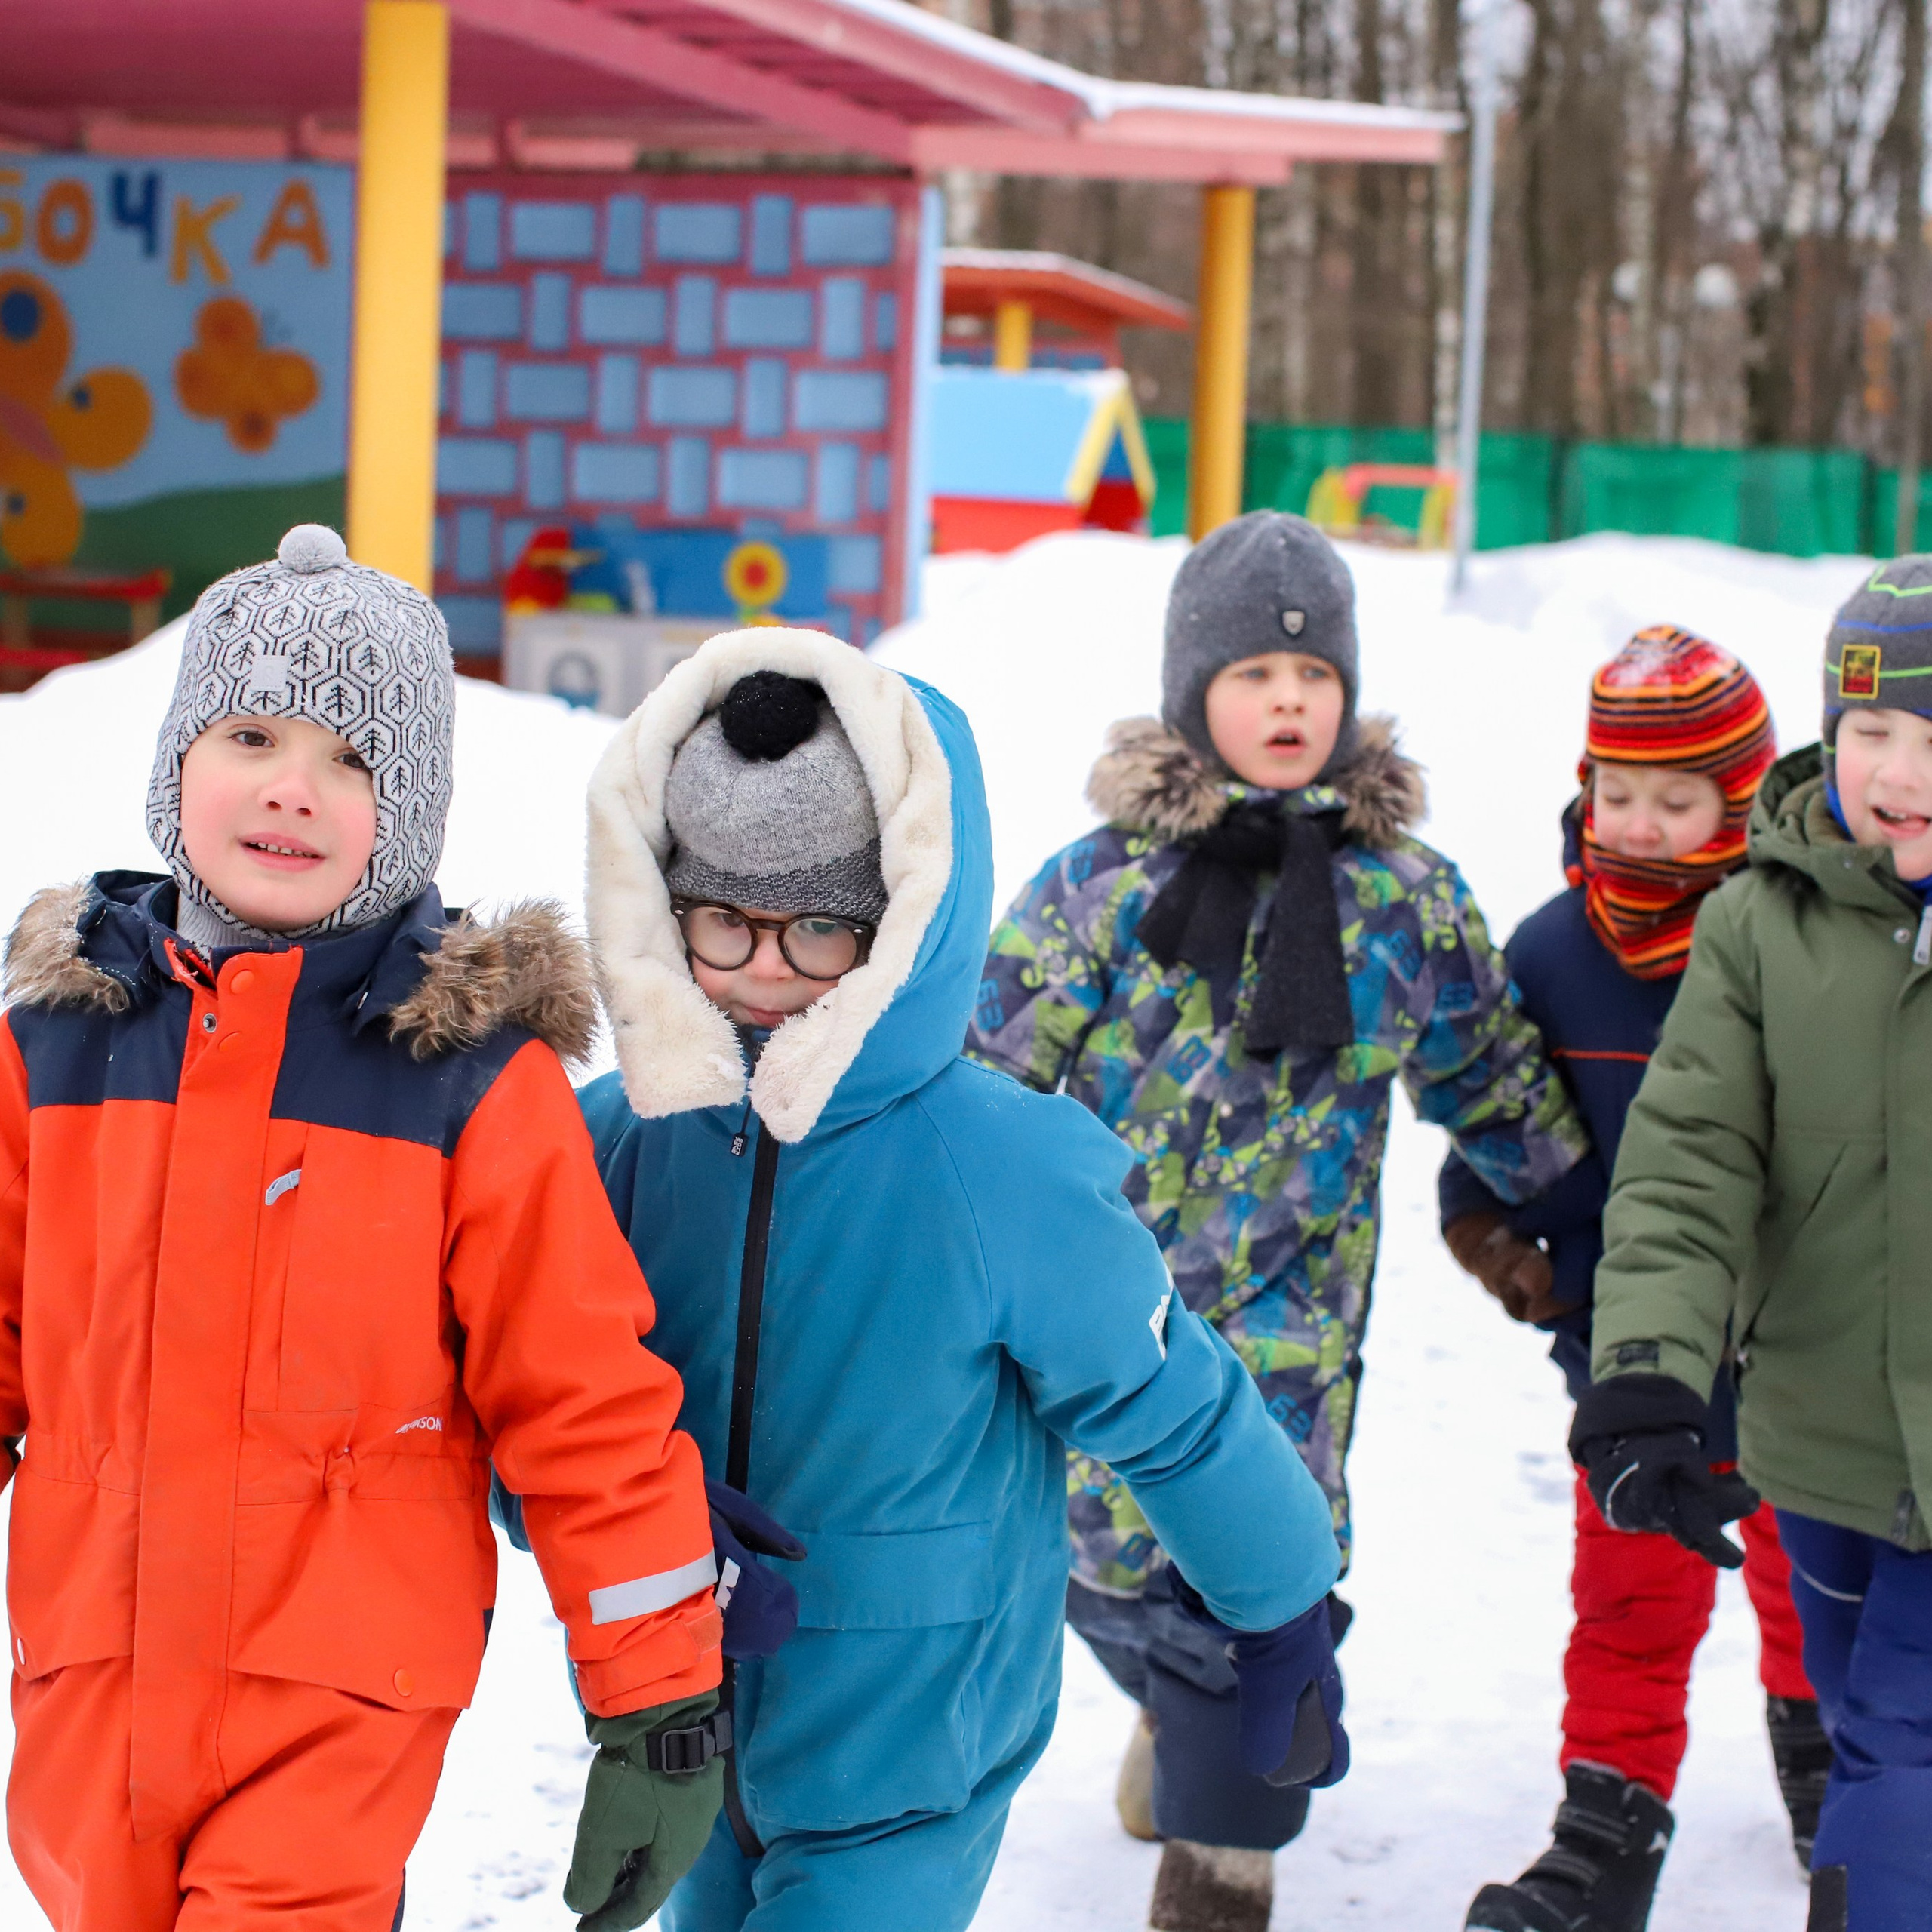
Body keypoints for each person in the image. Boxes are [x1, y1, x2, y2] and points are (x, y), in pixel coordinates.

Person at [0, 526, 724, 1932]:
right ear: (176, 769)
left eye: (356, 758)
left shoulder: (465, 1085)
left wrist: (659, 1703)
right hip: (89, 1662)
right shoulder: (54, 1047)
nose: (294, 788)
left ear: (413, 810)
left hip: (343, 1692)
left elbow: (583, 1404)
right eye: (253, 732)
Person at [573, 629, 1349, 1932]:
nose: (767, 968)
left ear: (902, 925)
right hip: (679, 1723)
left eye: (821, 928)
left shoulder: (1000, 1167)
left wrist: (1278, 1610)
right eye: (722, 922)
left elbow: (1177, 1408)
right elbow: (518, 1409)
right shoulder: (618, 1150)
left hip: (914, 1748)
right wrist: (637, 1524)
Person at [966, 510, 1589, 1932]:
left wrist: (1574, 1205)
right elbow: (989, 1083)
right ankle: (1176, 1734)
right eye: (1256, 675)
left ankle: (1219, 1875)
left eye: (1315, 679)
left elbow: (1495, 1079)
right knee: (1105, 1580)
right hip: (1102, 1330)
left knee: (1252, 1609)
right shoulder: (1101, 887)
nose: (1290, 702)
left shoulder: (1402, 903)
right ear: (1196, 693)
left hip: (1293, 1342)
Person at [1438, 626, 1823, 1932]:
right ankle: (1608, 1821)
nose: (1642, 828)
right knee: (1628, 1600)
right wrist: (1514, 1256)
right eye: (1618, 795)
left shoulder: (1799, 944)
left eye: (1678, 800)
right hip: (1633, 1364)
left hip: (1799, 1355)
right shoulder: (1552, 954)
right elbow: (1495, 1138)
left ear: (1738, 796)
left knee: (1810, 1577)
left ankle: (1831, 1775)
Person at [1572, 557, 1932, 1932]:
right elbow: (1686, 1161)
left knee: (1898, 1773)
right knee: (1861, 1723)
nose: (1896, 770)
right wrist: (1651, 1374)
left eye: (1931, 737)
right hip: (1822, 1450)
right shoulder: (1758, 926)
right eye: (1870, 733)